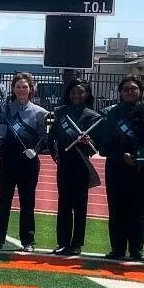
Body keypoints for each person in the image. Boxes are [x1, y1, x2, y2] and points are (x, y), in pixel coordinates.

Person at [99, 75, 144, 261]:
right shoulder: (110, 113)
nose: (130, 92)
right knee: (117, 209)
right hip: (117, 167)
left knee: (139, 211)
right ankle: (117, 248)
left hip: (141, 169)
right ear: (120, 93)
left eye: (134, 88)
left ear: (140, 91)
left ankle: (136, 249)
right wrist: (121, 154)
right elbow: (104, 144)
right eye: (126, 89)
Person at [0, 72, 48, 252]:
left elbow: (43, 137)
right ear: (13, 89)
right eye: (18, 87)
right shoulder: (4, 109)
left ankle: (28, 241)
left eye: (25, 87)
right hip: (7, 160)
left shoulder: (40, 112)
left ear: (31, 89)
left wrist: (36, 150)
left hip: (29, 162)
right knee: (3, 201)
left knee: (27, 202)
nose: (21, 90)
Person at [47, 77, 103, 256]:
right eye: (73, 92)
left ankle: (76, 243)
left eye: (81, 92)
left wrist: (88, 142)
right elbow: (52, 136)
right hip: (64, 163)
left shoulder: (92, 116)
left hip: (81, 164)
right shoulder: (62, 112)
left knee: (80, 205)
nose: (76, 95)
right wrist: (54, 153)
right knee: (63, 204)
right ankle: (62, 242)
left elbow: (95, 147)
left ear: (87, 94)